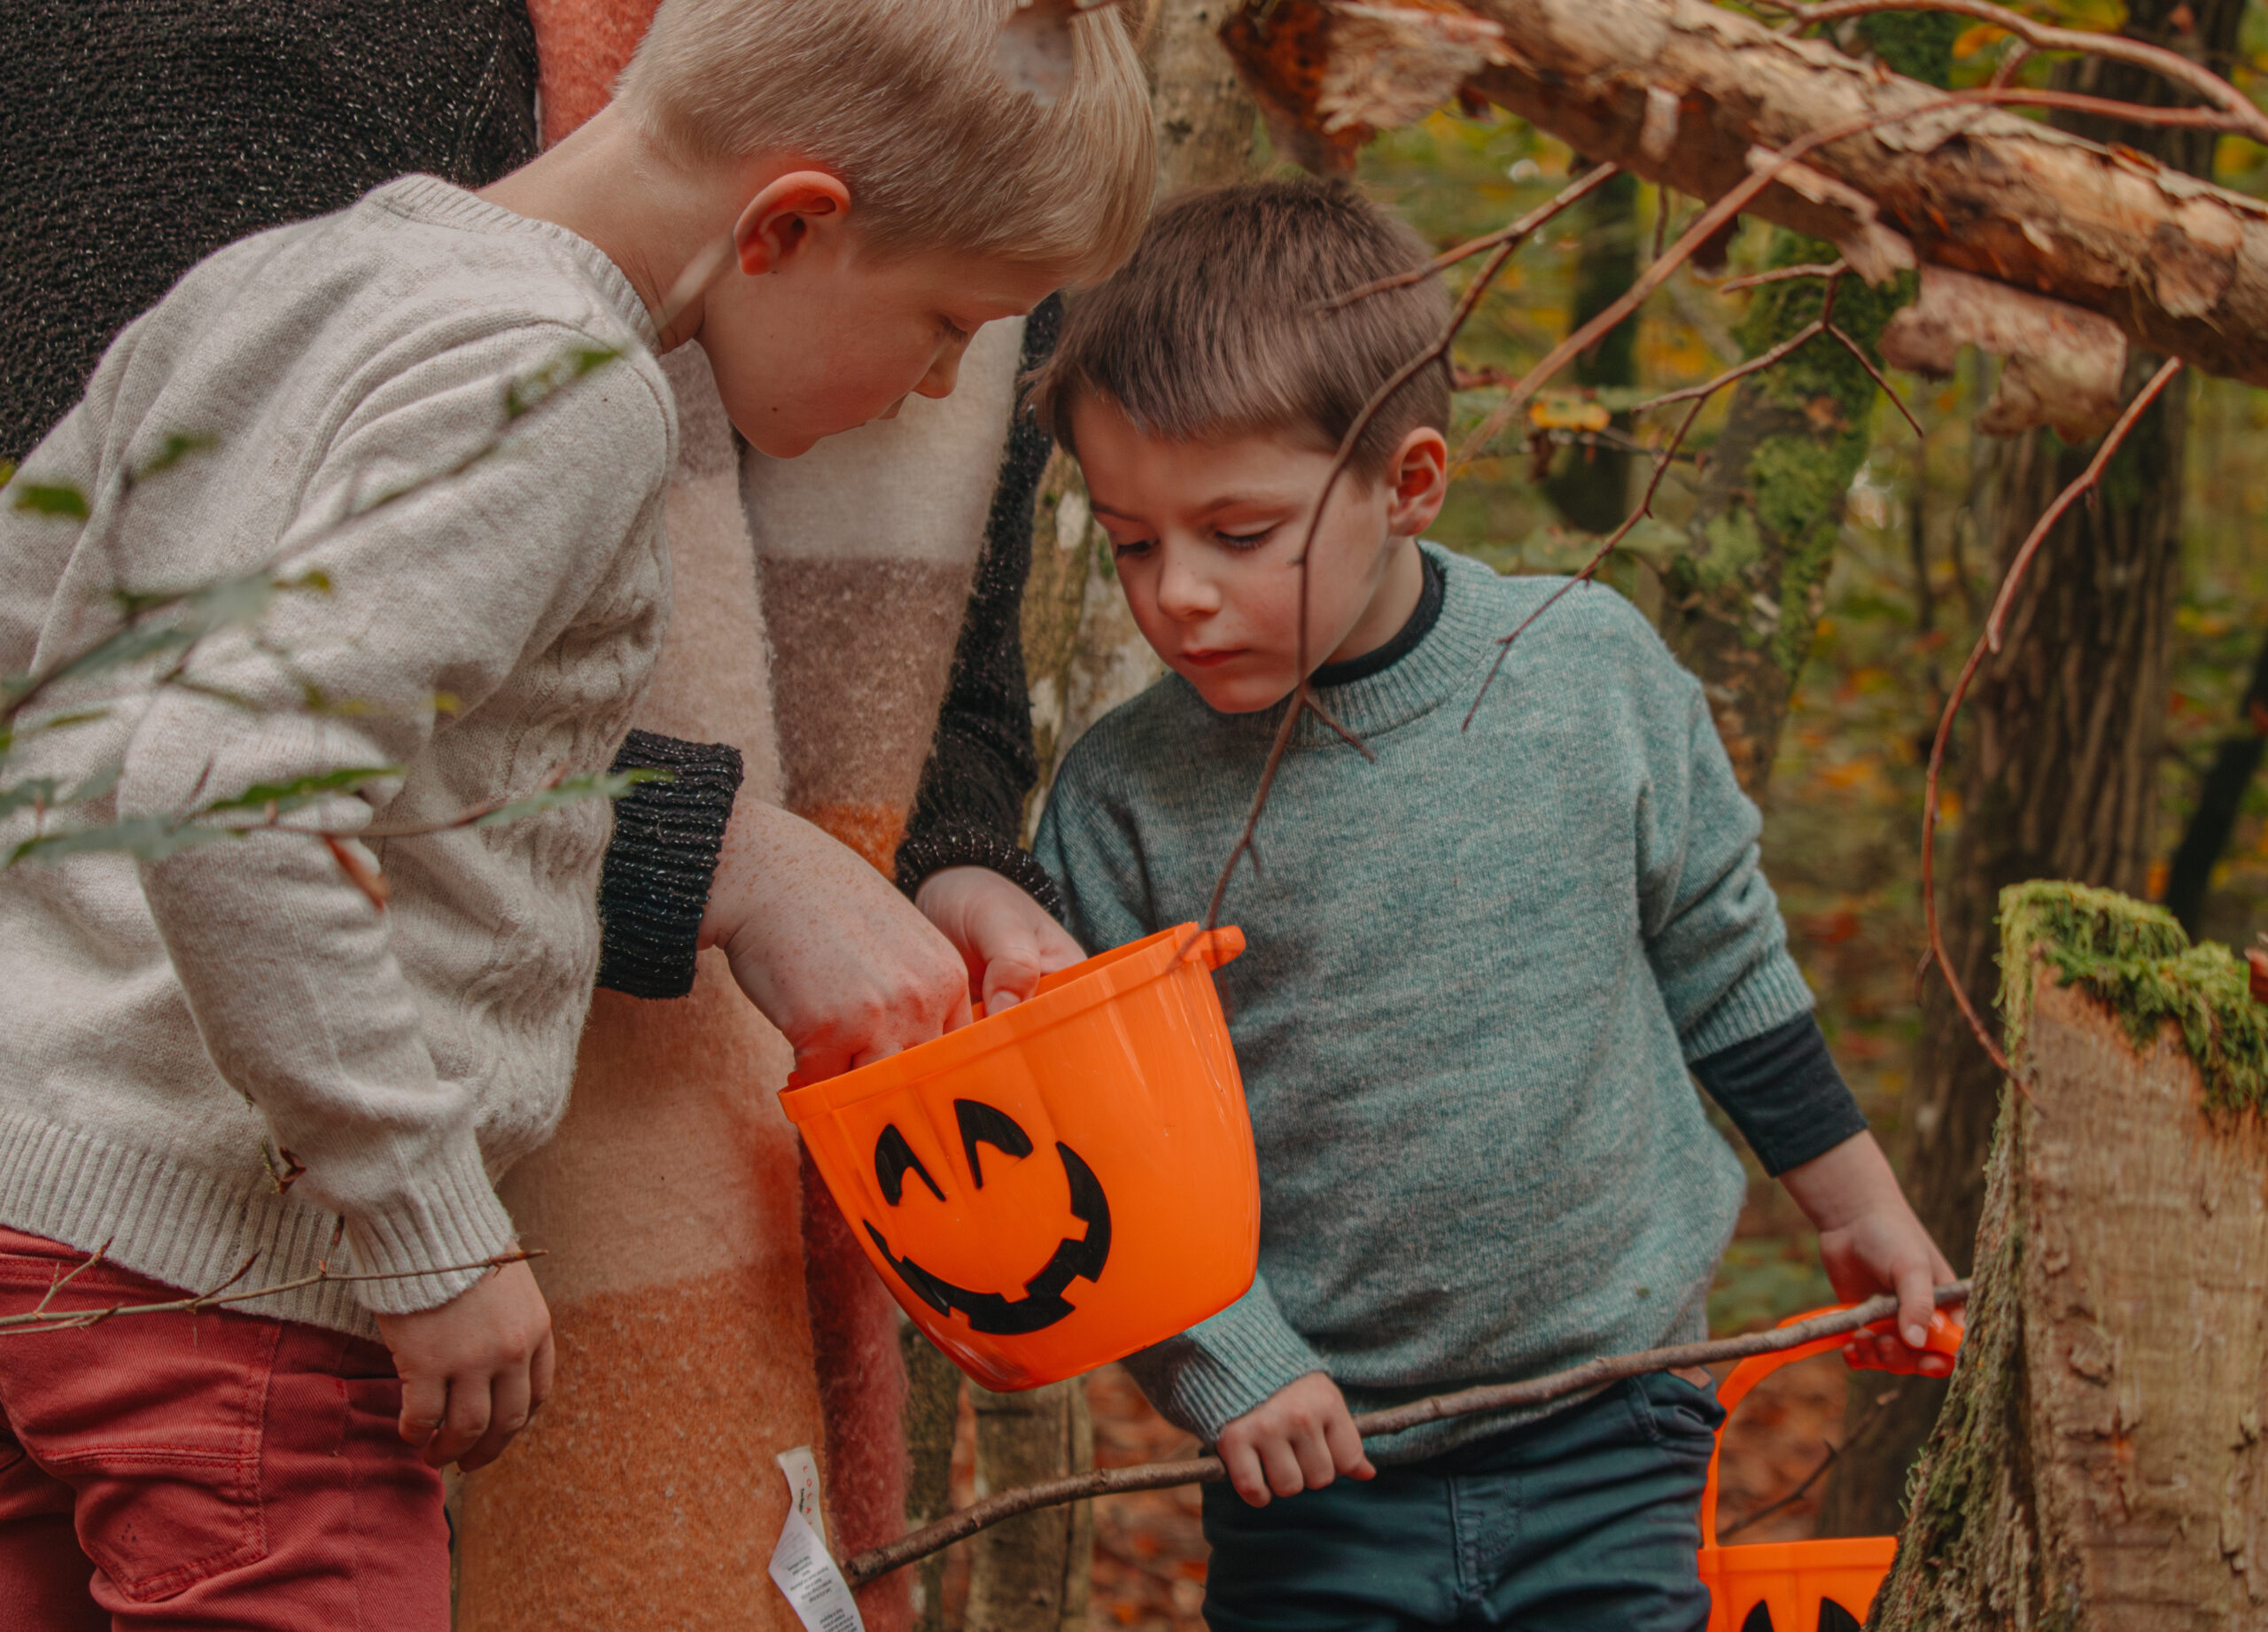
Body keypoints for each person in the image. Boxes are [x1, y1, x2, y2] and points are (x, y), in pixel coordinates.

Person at [0, 2, 1146, 1625]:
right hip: (243, 1292)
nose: (935, 383)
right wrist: (425, 1233)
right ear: (790, 225)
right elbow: (228, 785)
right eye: (949, 321)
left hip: (32, 1230)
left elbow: (43, 668)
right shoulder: (572, 389)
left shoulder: (281, 277)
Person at [929, 179, 1956, 1630]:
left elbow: (1722, 958)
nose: (1183, 597)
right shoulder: (1124, 797)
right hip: (1309, 1458)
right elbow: (1107, 1148)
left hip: (1616, 1423)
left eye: (1240, 531)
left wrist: (1858, 1208)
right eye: (1137, 541)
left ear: (1408, 482)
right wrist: (1230, 1361)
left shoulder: (1583, 673)